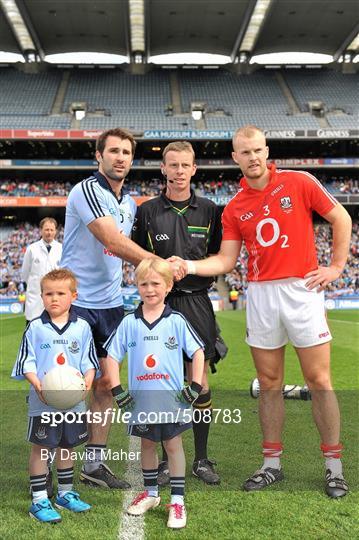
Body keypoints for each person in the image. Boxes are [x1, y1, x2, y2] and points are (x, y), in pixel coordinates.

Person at [172, 125, 352, 498]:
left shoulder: (300, 182)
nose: (252, 158)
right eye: (244, 152)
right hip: (261, 295)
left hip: (302, 289)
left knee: (319, 379)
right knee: (268, 383)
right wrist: (187, 266)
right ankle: (272, 464)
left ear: (266, 151)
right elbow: (225, 259)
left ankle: (334, 468)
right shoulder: (235, 207)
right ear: (235, 158)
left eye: (257, 150)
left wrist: (335, 267)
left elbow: (341, 218)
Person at [61, 128, 181, 490]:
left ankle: (93, 465)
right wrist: (162, 263)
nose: (120, 157)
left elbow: (122, 252)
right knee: (67, 389)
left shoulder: (129, 204)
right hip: (77, 304)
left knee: (104, 387)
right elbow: (112, 240)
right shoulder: (86, 191)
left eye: (126, 152)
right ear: (99, 156)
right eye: (113, 151)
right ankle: (54, 468)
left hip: (112, 308)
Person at [132, 141, 222, 485]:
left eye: (186, 165)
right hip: (160, 303)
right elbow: (136, 255)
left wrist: (192, 267)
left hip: (197, 301)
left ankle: (201, 459)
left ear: (194, 169)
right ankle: (170, 459)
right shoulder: (148, 210)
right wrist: (158, 266)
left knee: (198, 380)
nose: (180, 171)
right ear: (164, 169)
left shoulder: (211, 210)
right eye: (173, 165)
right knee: (163, 380)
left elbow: (218, 258)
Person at [105, 259, 204, 529]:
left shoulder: (176, 320)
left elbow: (197, 351)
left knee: (173, 446)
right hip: (141, 401)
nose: (149, 289)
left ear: (169, 286)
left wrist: (194, 386)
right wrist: (117, 390)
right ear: (136, 285)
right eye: (143, 283)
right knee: (147, 445)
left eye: (155, 283)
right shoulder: (129, 322)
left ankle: (178, 500)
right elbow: (112, 356)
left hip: (172, 401)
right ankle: (150, 494)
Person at [11, 269, 99, 523]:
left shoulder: (82, 327)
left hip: (73, 403)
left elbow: (89, 363)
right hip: (44, 402)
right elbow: (26, 363)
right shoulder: (35, 328)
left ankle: (65, 493)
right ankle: (39, 500)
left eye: (61, 293)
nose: (54, 298)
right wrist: (38, 384)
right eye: (48, 293)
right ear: (42, 296)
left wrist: (87, 385)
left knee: (66, 446)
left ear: (73, 296)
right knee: (41, 447)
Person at [21, 217, 62, 323]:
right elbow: (25, 274)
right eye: (46, 229)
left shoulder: (61, 249)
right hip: (36, 296)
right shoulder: (32, 249)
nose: (49, 233)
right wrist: (35, 285)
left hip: (55, 295)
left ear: (56, 231)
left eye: (52, 230)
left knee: (54, 329)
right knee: (33, 327)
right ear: (41, 230)